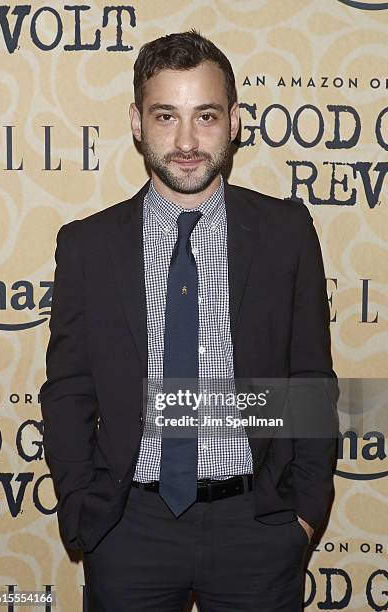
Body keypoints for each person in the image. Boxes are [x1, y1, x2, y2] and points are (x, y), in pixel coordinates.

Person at [39, 29, 339, 612]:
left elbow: (310, 380)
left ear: (234, 121)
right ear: (136, 121)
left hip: (257, 526)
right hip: (130, 529)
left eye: (205, 115)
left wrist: (302, 516)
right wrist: (82, 508)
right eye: (164, 116)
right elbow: (69, 390)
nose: (185, 141)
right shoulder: (87, 245)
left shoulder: (285, 233)